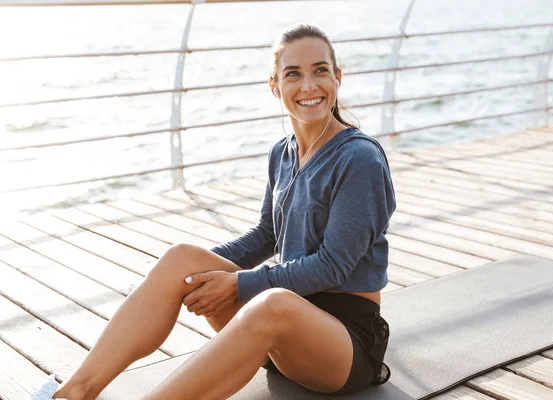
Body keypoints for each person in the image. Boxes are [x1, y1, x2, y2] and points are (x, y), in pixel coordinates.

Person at [33, 23, 396, 400]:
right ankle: (73, 394)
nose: (308, 86)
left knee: (273, 303)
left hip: (344, 345)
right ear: (275, 86)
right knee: (181, 259)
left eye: (320, 70)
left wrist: (239, 284)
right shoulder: (282, 153)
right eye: (293, 74)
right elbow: (267, 234)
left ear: (337, 77)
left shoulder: (359, 159)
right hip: (280, 332)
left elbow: (332, 266)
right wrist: (190, 276)